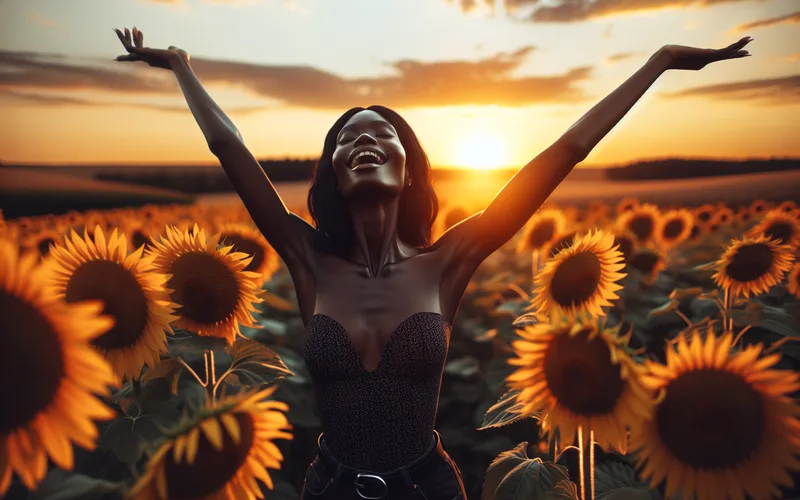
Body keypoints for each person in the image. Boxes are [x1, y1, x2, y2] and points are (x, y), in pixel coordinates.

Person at [113, 27, 752, 500]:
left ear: (410, 165)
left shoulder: (451, 260)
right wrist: (179, 66)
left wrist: (659, 63)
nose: (362, 141)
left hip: (429, 489)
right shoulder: (307, 258)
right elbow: (230, 147)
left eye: (380, 133)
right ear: (332, 172)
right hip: (328, 488)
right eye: (345, 139)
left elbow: (564, 153)